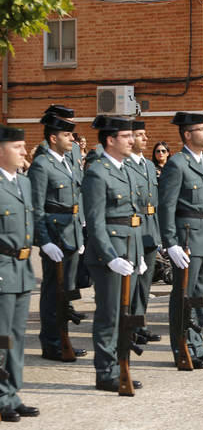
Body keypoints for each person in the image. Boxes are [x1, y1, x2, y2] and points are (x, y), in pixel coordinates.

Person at [83, 115, 146, 392]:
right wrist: (110, 256)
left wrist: (140, 254)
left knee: (126, 314)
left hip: (130, 250)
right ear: (110, 140)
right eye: (126, 136)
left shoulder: (128, 170)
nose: (132, 140)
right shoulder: (98, 172)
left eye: (132, 135)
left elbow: (134, 216)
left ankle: (123, 366)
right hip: (110, 254)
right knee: (109, 315)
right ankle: (105, 371)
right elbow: (95, 222)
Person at [158, 112, 203, 369]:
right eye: (202, 129)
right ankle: (181, 347)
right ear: (187, 134)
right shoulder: (177, 164)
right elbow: (166, 206)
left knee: (200, 296)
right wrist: (170, 243)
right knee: (183, 296)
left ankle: (198, 344)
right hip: (187, 238)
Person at [28, 111, 88, 362]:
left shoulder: (67, 162)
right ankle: (52, 343)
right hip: (54, 236)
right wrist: (45, 241)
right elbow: (37, 208)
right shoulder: (43, 165)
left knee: (67, 292)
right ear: (53, 138)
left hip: (72, 233)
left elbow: (77, 196)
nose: (72, 139)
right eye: (66, 135)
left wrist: (81, 229)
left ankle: (64, 339)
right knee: (53, 291)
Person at [0, 125, 40, 420]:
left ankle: (12, 394)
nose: (24, 152)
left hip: (23, 268)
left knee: (16, 336)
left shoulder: (23, 183)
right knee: (1, 337)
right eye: (18, 147)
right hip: (2, 269)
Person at [125, 121, 163, 345]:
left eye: (145, 134)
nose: (145, 138)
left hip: (150, 227)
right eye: (140, 135)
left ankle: (140, 322)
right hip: (134, 227)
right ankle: (129, 325)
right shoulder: (125, 165)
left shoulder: (149, 165)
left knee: (146, 281)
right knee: (131, 281)